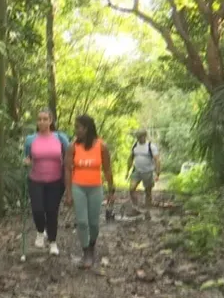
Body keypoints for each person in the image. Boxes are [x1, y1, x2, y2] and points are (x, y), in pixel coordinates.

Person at [64, 114, 115, 269]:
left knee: (94, 223)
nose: (76, 130)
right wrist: (68, 193)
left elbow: (107, 169)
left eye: (78, 127)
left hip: (95, 188)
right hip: (78, 186)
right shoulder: (73, 146)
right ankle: (86, 251)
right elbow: (67, 169)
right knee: (82, 222)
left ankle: (92, 246)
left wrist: (111, 190)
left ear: (86, 128)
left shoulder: (101, 146)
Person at [22, 108, 70, 256]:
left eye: (45, 119)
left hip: (56, 181)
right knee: (37, 209)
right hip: (36, 179)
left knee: (51, 211)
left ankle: (53, 242)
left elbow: (68, 157)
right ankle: (40, 232)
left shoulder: (60, 138)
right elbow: (28, 156)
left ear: (51, 121)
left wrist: (69, 181)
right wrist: (26, 161)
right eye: (39, 119)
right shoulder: (31, 139)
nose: (42, 122)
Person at [125, 128, 161, 210]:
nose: (139, 138)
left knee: (148, 191)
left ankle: (148, 209)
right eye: (137, 137)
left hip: (148, 172)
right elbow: (130, 158)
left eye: (140, 137)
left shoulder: (151, 146)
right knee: (131, 189)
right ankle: (136, 206)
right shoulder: (135, 145)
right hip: (137, 171)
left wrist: (157, 173)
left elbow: (157, 160)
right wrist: (127, 171)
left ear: (145, 136)